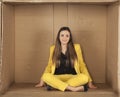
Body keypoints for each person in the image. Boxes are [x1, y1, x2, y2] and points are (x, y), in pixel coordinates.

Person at [35, 27, 97, 92]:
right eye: (62, 35)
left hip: (73, 77)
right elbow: (49, 66)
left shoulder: (76, 47)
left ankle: (55, 86)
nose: (64, 38)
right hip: (57, 77)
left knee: (84, 78)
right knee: (45, 76)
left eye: (67, 36)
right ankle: (73, 89)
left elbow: (82, 65)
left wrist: (90, 82)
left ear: (70, 37)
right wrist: (41, 81)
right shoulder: (53, 48)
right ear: (58, 37)